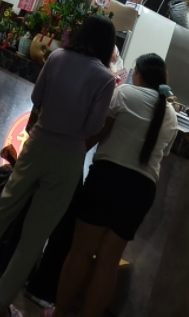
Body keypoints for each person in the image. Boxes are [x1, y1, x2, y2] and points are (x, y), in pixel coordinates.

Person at [0, 16, 117, 317]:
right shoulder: (105, 79)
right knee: (35, 235)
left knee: (0, 212)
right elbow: (93, 125)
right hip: (68, 159)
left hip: (37, 145)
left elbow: (36, 98)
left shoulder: (58, 57)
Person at [53, 53, 178, 317]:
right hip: (142, 190)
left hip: (108, 178)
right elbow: (162, 154)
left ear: (140, 75)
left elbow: (100, 130)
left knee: (81, 252)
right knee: (108, 263)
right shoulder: (171, 115)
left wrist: (73, 152)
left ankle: (60, 312)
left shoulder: (124, 94)